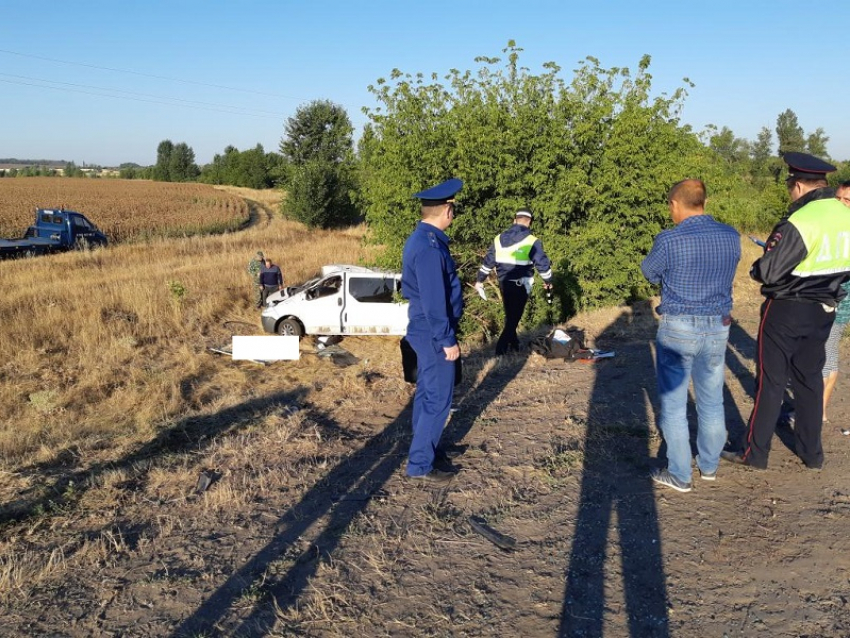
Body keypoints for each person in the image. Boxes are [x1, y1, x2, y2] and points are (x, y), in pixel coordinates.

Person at [722, 153, 850, 471]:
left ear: (797, 185)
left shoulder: (802, 221)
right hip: (826, 310)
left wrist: (756, 268)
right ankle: (812, 453)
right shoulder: (845, 214)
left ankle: (754, 452)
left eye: (790, 185)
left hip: (787, 311)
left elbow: (769, 271)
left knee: (771, 381)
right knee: (809, 380)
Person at [641, 179, 741, 492]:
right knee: (712, 400)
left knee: (673, 405)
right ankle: (709, 466)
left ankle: (680, 474)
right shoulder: (731, 236)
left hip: (679, 326)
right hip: (718, 326)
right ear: (704, 202)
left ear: (675, 204)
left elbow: (649, 272)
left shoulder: (669, 240)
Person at [401, 178, 464, 484]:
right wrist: (447, 340)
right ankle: (421, 464)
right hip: (432, 332)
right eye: (454, 208)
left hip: (426, 330)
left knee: (428, 394)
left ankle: (425, 449)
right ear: (447, 210)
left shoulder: (423, 240)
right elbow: (434, 301)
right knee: (438, 399)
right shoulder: (428, 248)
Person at [475, 208, 553, 355]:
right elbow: (542, 264)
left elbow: (488, 262)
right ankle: (500, 351)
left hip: (504, 283)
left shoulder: (498, 239)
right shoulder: (532, 241)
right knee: (513, 319)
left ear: (514, 220)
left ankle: (515, 345)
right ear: (529, 222)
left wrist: (479, 279)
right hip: (521, 285)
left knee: (510, 315)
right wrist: (548, 280)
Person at [823, 181, 850, 433]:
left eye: (847, 200)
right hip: (830, 298)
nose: (841, 204)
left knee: (827, 353)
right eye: (838, 198)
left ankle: (817, 412)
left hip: (839, 302)